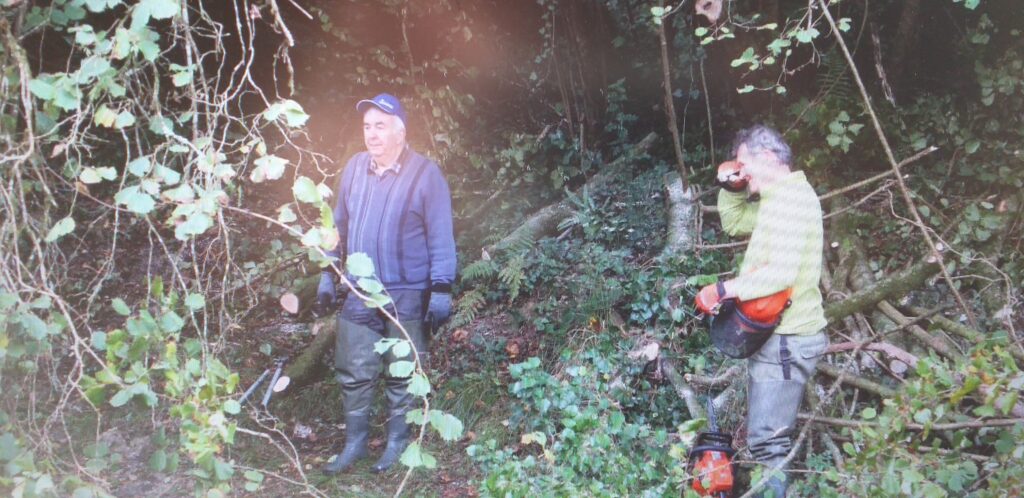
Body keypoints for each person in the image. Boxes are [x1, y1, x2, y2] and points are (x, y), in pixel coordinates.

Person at [315, 93, 456, 474]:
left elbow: (441, 235)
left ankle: (396, 443)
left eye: (380, 126)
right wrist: (328, 273)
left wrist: (441, 288)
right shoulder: (354, 169)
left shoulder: (427, 175)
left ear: (400, 131)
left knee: (403, 372)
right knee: (353, 367)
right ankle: (355, 444)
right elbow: (336, 226)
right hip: (361, 289)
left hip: (407, 290)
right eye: (367, 126)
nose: (372, 134)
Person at [694, 125, 828, 497]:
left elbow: (781, 274)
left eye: (743, 162)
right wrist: (732, 187)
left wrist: (723, 290)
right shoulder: (778, 198)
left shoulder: (790, 202)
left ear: (767, 157)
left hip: (787, 339)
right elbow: (735, 222)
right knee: (767, 441)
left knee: (769, 445)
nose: (740, 170)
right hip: (776, 336)